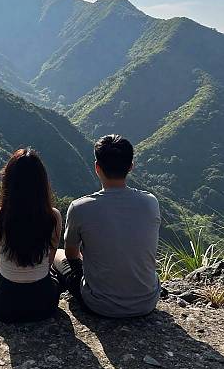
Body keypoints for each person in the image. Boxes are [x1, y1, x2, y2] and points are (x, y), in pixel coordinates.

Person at [53, 134, 161, 318]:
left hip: (99, 305)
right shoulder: (150, 202)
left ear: (97, 168)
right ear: (131, 166)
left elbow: (72, 255)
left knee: (58, 254)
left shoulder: (79, 208)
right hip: (147, 301)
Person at [0, 147, 63, 322]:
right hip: (45, 305)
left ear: (7, 181)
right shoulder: (53, 217)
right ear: (42, 183)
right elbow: (49, 262)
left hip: (4, 306)